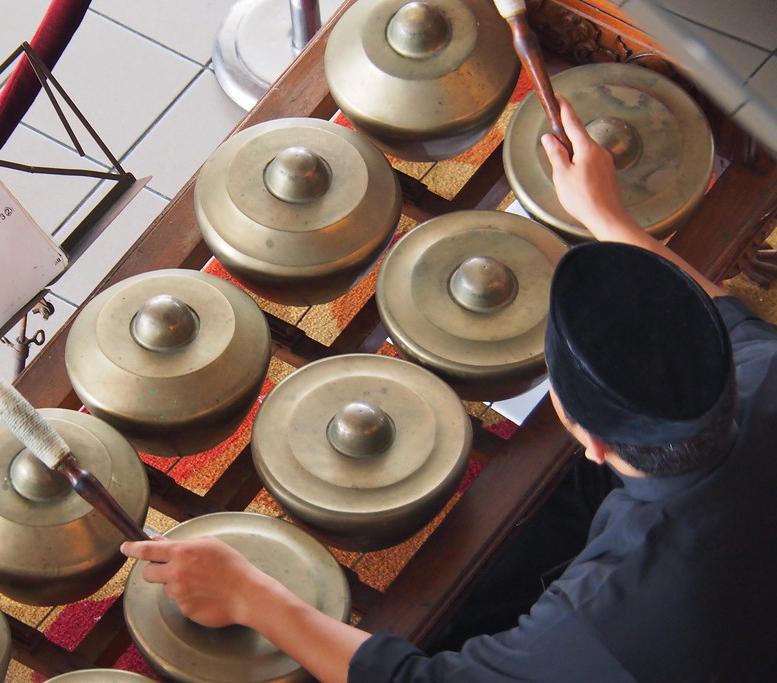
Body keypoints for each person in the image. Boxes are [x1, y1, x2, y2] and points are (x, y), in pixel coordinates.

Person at [121, 98, 777, 681]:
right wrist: (609, 217)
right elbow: (718, 313)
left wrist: (253, 597)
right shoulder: (763, 371)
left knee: (456, 625)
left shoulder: (598, 630)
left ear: (592, 441)